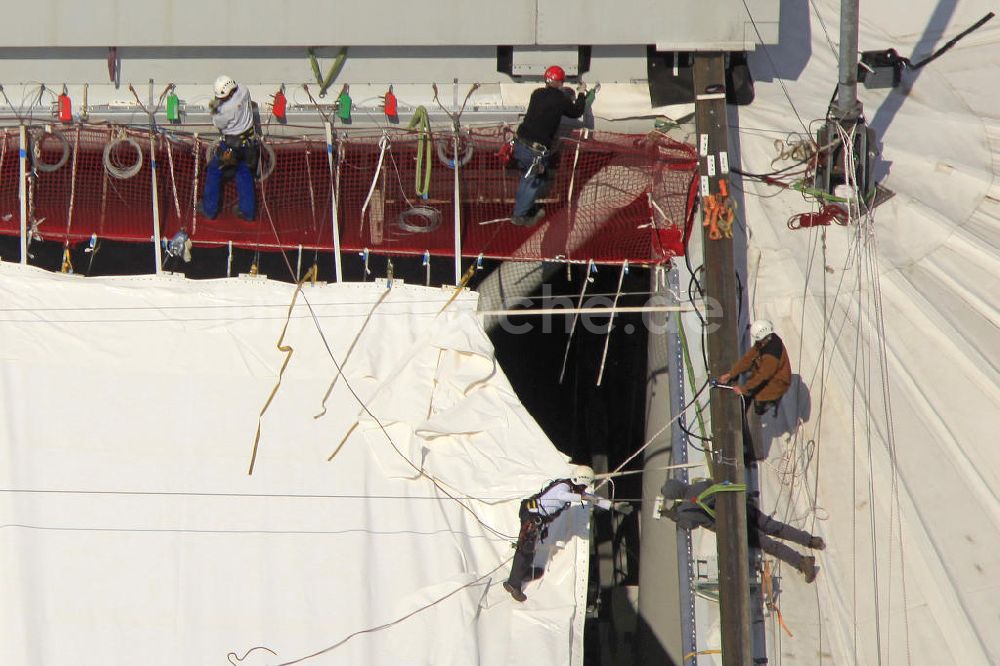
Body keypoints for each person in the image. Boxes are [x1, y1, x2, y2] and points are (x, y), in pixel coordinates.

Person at [660, 477, 824, 583]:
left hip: (736, 525)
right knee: (774, 527)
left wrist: (672, 515)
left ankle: (802, 562)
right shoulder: (700, 484)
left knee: (769, 545)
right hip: (744, 508)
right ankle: (810, 540)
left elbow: (691, 525)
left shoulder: (685, 510)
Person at [503, 465, 614, 602]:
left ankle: (524, 572)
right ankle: (513, 584)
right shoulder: (563, 489)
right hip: (531, 516)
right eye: (584, 486)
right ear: (580, 482)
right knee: (524, 550)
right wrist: (579, 497)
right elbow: (563, 496)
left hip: (535, 515)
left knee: (530, 549)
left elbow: (590, 497)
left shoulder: (572, 486)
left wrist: (610, 505)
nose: (584, 489)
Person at [509, 65, 587, 227]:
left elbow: (547, 105)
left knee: (529, 178)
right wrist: (582, 93)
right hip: (535, 151)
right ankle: (520, 215)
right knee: (534, 181)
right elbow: (577, 112)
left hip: (520, 145)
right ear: (560, 82)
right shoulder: (561, 101)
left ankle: (524, 207)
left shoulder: (536, 94)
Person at [201, 75, 259, 221]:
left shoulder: (226, 109)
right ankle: (247, 212)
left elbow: (218, 124)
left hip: (231, 149)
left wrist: (214, 107)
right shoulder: (244, 90)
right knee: (244, 173)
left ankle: (209, 209)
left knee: (214, 171)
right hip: (249, 144)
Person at [718, 319, 791, 416]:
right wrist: (731, 374)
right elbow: (748, 359)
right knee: (749, 391)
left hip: (777, 382)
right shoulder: (764, 341)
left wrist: (744, 389)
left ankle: (769, 402)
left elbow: (762, 376)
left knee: (759, 404)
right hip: (767, 374)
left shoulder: (771, 356)